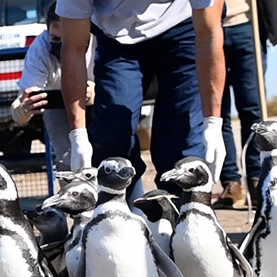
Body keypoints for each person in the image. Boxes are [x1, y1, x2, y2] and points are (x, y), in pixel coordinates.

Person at [58, 0, 226, 198]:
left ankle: (180, 213)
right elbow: (73, 48)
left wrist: (212, 122)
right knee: (112, 135)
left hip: (185, 25)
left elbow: (208, 33)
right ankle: (122, 207)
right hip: (116, 37)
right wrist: (77, 135)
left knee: (182, 135)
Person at [10, 2, 96, 170]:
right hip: (57, 105)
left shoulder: (97, 42)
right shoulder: (39, 49)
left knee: (108, 152)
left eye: (67, 40)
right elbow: (18, 111)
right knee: (67, 163)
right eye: (55, 39)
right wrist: (24, 108)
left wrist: (95, 93)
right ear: (47, 30)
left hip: (96, 105)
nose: (61, 47)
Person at [214, 0, 277, 209]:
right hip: (210, 25)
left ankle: (258, 181)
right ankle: (231, 183)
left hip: (247, 26)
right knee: (217, 112)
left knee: (253, 110)